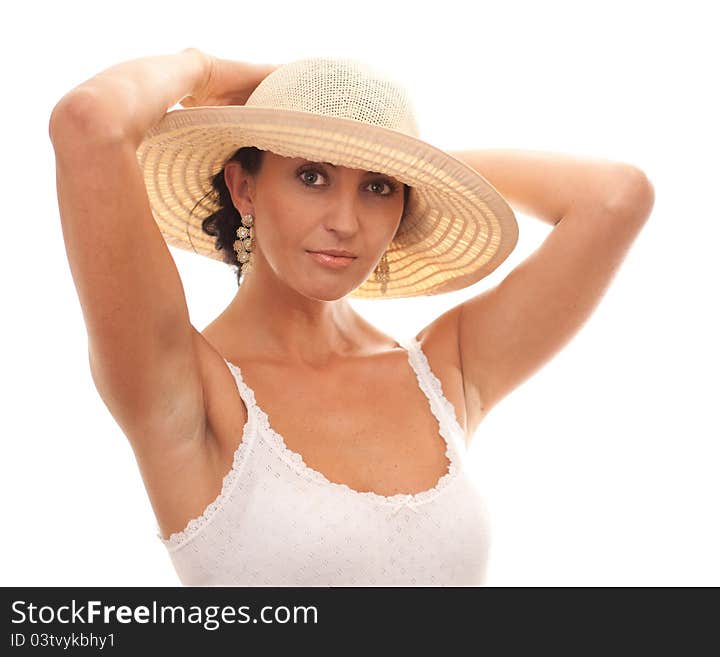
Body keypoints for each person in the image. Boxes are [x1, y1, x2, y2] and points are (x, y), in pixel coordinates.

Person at [48, 48, 654, 586]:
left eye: (379, 188)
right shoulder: (182, 389)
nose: (345, 220)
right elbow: (89, 123)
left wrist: (416, 167)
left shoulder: (444, 371)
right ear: (244, 186)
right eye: (312, 176)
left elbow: (616, 197)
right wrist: (206, 69)